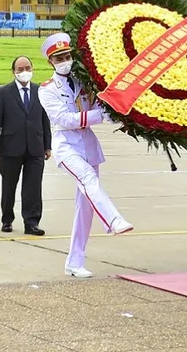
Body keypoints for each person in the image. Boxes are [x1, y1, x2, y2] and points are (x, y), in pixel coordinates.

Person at [38, 33, 133, 278]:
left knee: (85, 208)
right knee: (88, 179)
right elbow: (65, 119)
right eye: (59, 58)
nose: (65, 61)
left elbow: (99, 106)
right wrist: (101, 115)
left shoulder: (84, 82)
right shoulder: (47, 90)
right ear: (51, 61)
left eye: (68, 56)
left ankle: (74, 261)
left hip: (88, 145)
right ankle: (113, 220)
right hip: (66, 146)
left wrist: (114, 112)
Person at [0, 55, 51, 236]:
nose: (24, 72)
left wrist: (47, 145)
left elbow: (44, 119)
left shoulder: (40, 91)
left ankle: (32, 222)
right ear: (13, 72)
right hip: (10, 147)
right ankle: (7, 218)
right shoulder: (3, 92)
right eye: (20, 69)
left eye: (27, 68)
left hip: (35, 147)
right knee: (9, 186)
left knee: (33, 187)